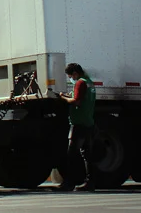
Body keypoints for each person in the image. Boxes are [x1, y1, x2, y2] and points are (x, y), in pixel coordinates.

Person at [57, 62, 97, 191]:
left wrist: (63, 97)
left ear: (75, 73)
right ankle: (90, 182)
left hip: (78, 123)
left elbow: (77, 101)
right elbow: (83, 98)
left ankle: (69, 182)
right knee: (88, 154)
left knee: (72, 155)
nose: (71, 78)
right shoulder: (90, 82)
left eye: (70, 76)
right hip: (89, 122)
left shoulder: (80, 82)